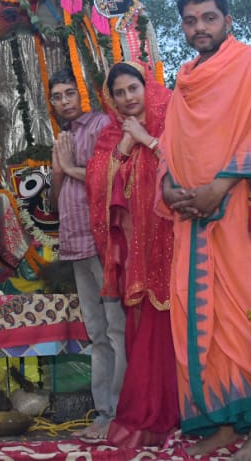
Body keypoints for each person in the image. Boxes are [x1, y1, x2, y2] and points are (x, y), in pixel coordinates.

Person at [159, 0, 251, 460]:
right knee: (197, 317)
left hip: (236, 208)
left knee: (247, 313)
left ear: (227, 21)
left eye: (208, 18)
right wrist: (170, 188)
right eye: (190, 21)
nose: (200, 28)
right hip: (190, 216)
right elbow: (170, 141)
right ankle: (225, 425)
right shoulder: (185, 77)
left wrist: (219, 187)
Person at [84, 63, 176, 446]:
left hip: (176, 245)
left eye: (133, 88)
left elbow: (189, 165)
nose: (127, 98)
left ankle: (189, 412)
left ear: (146, 86)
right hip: (139, 253)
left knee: (180, 327)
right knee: (142, 331)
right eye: (119, 93)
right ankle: (152, 408)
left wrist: (147, 140)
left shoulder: (172, 117)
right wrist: (125, 145)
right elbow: (100, 188)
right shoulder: (111, 135)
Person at [46, 69, 125, 441]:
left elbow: (108, 178)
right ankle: (105, 412)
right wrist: (58, 170)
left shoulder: (99, 125)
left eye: (69, 93)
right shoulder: (65, 134)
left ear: (83, 94)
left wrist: (68, 167)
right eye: (57, 96)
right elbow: (54, 200)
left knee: (115, 329)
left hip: (102, 242)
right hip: (76, 243)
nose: (64, 102)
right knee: (97, 333)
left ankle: (120, 413)